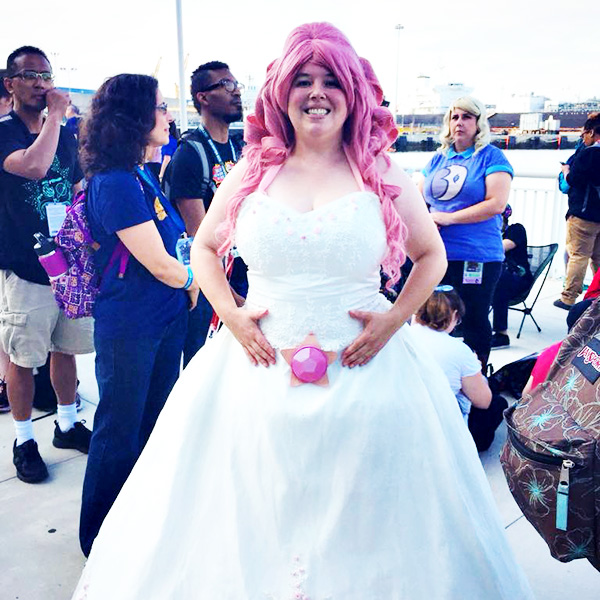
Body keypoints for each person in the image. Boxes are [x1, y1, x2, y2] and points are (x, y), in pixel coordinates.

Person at [71, 23, 533, 598]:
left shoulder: (381, 171)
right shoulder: (252, 169)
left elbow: (430, 254)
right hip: (254, 373)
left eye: (331, 80)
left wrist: (393, 320)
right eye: (303, 80)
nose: (317, 93)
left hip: (370, 373)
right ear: (281, 93)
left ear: (353, 93)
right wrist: (232, 316)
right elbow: (207, 249)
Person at [77, 74, 199, 557]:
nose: (169, 115)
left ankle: (137, 524)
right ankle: (99, 540)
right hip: (131, 328)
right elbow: (160, 263)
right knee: (118, 432)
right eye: (162, 106)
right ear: (133, 116)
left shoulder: (138, 173)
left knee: (151, 426)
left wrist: (184, 285)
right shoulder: (114, 183)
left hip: (162, 321)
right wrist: (193, 282)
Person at [0, 46, 93, 483]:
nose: (42, 83)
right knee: (23, 357)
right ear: (10, 84)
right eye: (31, 75)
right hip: (25, 267)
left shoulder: (67, 135)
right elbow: (34, 167)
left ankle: (68, 423)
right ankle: (23, 439)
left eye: (47, 75)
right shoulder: (6, 132)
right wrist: (55, 118)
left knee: (67, 348)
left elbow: (76, 188)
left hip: (68, 267)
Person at [164, 60, 247, 366]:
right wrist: (232, 300)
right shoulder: (191, 153)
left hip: (240, 274)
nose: (236, 91)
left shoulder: (238, 149)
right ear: (203, 97)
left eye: (236, 84)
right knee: (203, 364)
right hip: (210, 285)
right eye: (226, 85)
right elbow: (200, 237)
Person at [421, 96, 513, 370]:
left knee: (473, 319)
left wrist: (448, 218)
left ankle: (475, 378)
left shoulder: (491, 156)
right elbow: (417, 199)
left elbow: (496, 203)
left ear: (478, 122)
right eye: (454, 117)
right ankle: (435, 373)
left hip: (477, 256)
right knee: (430, 316)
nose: (459, 123)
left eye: (466, 117)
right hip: (437, 254)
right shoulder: (439, 158)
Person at [412, 285, 491, 422]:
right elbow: (483, 401)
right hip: (438, 424)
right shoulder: (459, 350)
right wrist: (479, 373)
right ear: (454, 315)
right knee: (497, 404)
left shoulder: (399, 337)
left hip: (401, 413)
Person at [554, 114, 600, 310]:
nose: (583, 139)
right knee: (598, 257)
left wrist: (566, 170)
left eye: (584, 135)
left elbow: (574, 180)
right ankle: (596, 297)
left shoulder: (589, 154)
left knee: (578, 255)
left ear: (591, 133)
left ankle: (568, 298)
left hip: (583, 213)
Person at [490, 205, 533, 348]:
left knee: (500, 278)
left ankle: (501, 335)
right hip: (495, 278)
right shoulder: (487, 234)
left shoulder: (516, 230)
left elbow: (500, 247)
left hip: (518, 278)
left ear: (504, 217)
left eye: (496, 217)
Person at [0, 71, 12, 413]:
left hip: (57, 262)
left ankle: (67, 418)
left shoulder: (59, 135)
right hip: (13, 258)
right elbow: (36, 166)